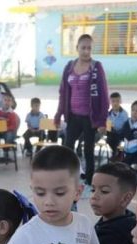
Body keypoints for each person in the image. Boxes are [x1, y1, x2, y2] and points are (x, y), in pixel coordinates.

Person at [54, 33, 110, 185]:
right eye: (83, 48)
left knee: (88, 150)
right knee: (67, 147)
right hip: (73, 116)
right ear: (77, 48)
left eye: (89, 48)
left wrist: (102, 121)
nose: (86, 51)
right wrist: (59, 114)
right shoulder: (69, 67)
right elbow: (63, 92)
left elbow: (104, 95)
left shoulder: (96, 67)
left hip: (89, 117)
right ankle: (68, 176)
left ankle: (90, 179)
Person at [90, 162, 136, 244]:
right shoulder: (119, 220)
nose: (94, 196)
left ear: (126, 198)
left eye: (104, 191)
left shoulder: (120, 235)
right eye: (93, 189)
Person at [106, 92, 129, 158]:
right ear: (110, 102)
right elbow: (108, 127)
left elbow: (125, 126)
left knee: (121, 142)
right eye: (113, 101)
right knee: (110, 139)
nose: (115, 103)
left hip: (121, 134)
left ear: (120, 101)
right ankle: (115, 153)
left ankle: (119, 153)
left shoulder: (124, 114)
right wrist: (110, 129)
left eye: (117, 101)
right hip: (112, 134)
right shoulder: (108, 114)